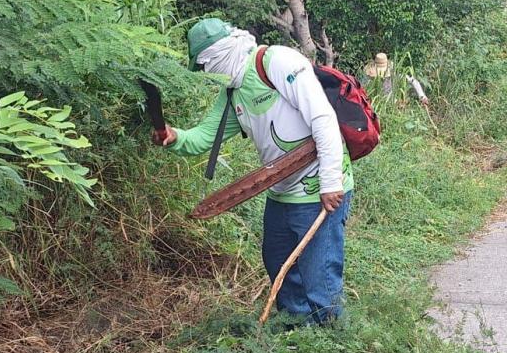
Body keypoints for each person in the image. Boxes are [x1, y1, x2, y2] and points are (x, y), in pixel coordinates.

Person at [154, 18, 353, 324]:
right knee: (278, 264)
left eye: (207, 66)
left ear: (218, 54)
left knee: (319, 275)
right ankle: (299, 337)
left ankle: (333, 346)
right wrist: (173, 135)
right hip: (282, 192)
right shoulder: (233, 91)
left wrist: (330, 181)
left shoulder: (277, 61)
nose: (208, 74)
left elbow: (323, 117)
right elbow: (204, 137)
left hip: (320, 190)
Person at [363, 52, 429, 105]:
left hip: (396, 104)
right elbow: (381, 96)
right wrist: (396, 102)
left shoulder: (393, 76)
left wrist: (422, 96)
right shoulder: (368, 79)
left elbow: (412, 80)